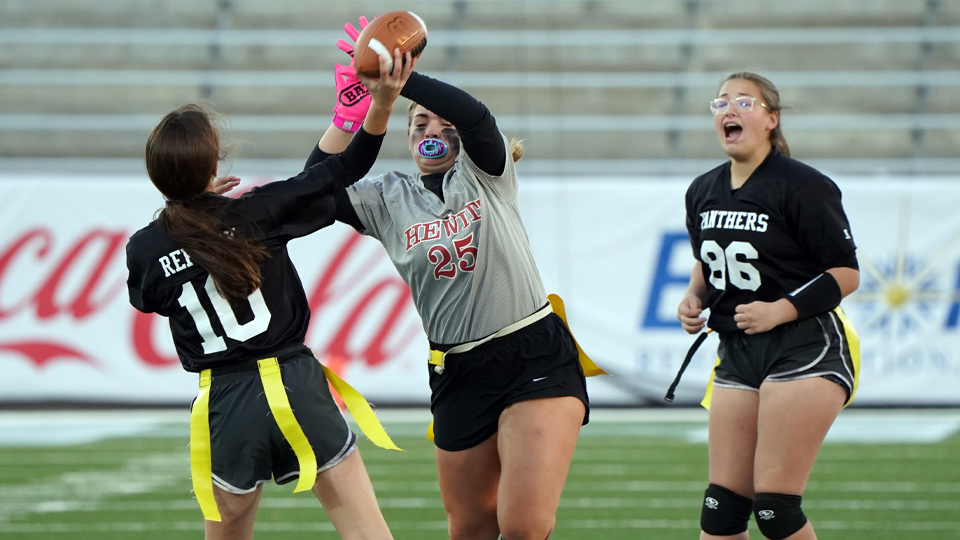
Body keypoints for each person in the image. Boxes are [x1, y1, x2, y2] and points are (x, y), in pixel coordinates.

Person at [306, 18, 604, 540]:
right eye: (418, 123)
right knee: (469, 528)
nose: (431, 130)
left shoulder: (484, 172)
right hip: (456, 370)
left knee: (524, 526)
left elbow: (477, 117)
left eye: (442, 124)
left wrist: (401, 80)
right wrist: (353, 113)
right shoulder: (387, 198)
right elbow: (313, 190)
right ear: (405, 137)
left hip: (531, 352)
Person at [125, 51, 414, 540]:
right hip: (296, 385)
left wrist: (195, 208)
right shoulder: (256, 211)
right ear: (214, 163)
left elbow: (148, 297)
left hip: (226, 401)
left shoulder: (145, 247)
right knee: (367, 533)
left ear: (157, 174)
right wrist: (373, 106)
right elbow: (342, 169)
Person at [677, 72, 861, 540]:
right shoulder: (702, 189)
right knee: (721, 509)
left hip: (804, 347)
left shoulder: (803, 185)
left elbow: (846, 274)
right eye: (720, 103)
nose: (730, 110)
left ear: (770, 120)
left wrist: (780, 309)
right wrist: (693, 296)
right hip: (737, 350)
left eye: (744, 102)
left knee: (775, 508)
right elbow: (707, 262)